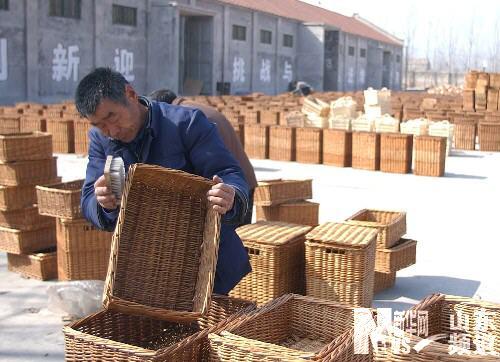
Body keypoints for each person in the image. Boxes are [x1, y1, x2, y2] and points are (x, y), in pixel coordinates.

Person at [75, 68, 251, 295]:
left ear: (130, 94)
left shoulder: (185, 124)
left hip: (206, 260)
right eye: (99, 125)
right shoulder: (101, 140)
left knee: (213, 325)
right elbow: (88, 198)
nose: (111, 131)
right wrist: (102, 203)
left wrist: (230, 194)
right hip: (150, 266)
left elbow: (228, 172)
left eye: (112, 117)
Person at [148, 88, 257, 225]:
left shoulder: (189, 118)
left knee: (234, 234)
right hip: (241, 181)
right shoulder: (193, 108)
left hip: (233, 187)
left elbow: (212, 161)